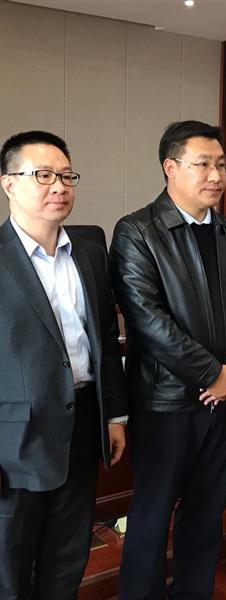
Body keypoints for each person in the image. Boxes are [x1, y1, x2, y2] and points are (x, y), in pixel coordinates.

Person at [111, 121, 226, 599]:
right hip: (166, 402)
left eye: (222, 165)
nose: (216, 175)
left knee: (207, 512)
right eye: (203, 164)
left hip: (224, 399)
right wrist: (213, 373)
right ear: (170, 167)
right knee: (152, 515)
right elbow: (147, 319)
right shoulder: (138, 231)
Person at [0, 130, 127, 599]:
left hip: (83, 423)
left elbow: (105, 341)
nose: (59, 186)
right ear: (8, 183)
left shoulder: (89, 251)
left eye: (66, 176)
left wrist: (114, 416)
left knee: (68, 558)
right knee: (10, 566)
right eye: (43, 175)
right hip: (14, 441)